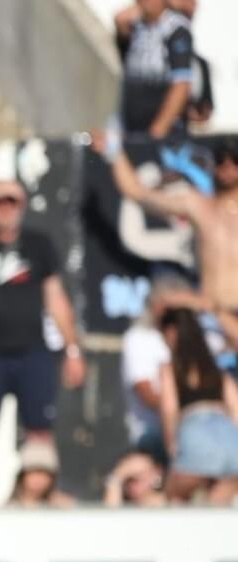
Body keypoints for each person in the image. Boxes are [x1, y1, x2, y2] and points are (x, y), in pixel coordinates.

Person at [0, 181, 85, 508]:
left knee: (40, 430)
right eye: (0, 204)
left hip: (31, 350)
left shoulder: (38, 244)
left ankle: (43, 496)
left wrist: (73, 349)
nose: (6, 209)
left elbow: (56, 298)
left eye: (12, 202)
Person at [106, 135, 238, 355]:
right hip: (212, 324)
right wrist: (113, 151)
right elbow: (137, 192)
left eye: (235, 160)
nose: (227, 167)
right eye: (221, 160)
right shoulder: (201, 206)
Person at [157, 307, 238, 504]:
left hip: (195, 436)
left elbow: (169, 411)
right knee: (218, 502)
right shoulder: (218, 371)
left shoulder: (170, 370)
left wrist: (172, 449)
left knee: (174, 495)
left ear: (172, 332)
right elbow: (236, 411)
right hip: (230, 442)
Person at [122, 276, 201, 462]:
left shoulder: (196, 338)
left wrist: (211, 308)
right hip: (154, 435)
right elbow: (147, 394)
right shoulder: (138, 338)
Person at [113, 0, 194, 139]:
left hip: (161, 135)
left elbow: (181, 85)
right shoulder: (135, 26)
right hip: (132, 131)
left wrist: (157, 131)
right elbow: (120, 19)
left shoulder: (175, 28)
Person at [6, 441, 76, 509]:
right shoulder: (10, 509)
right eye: (33, 472)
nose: (39, 478)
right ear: (22, 476)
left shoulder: (60, 506)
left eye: (44, 473)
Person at [103, 451, 168, 507]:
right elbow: (110, 517)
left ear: (156, 473)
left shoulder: (169, 504)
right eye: (128, 480)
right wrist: (118, 475)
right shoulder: (125, 507)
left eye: (139, 477)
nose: (132, 485)